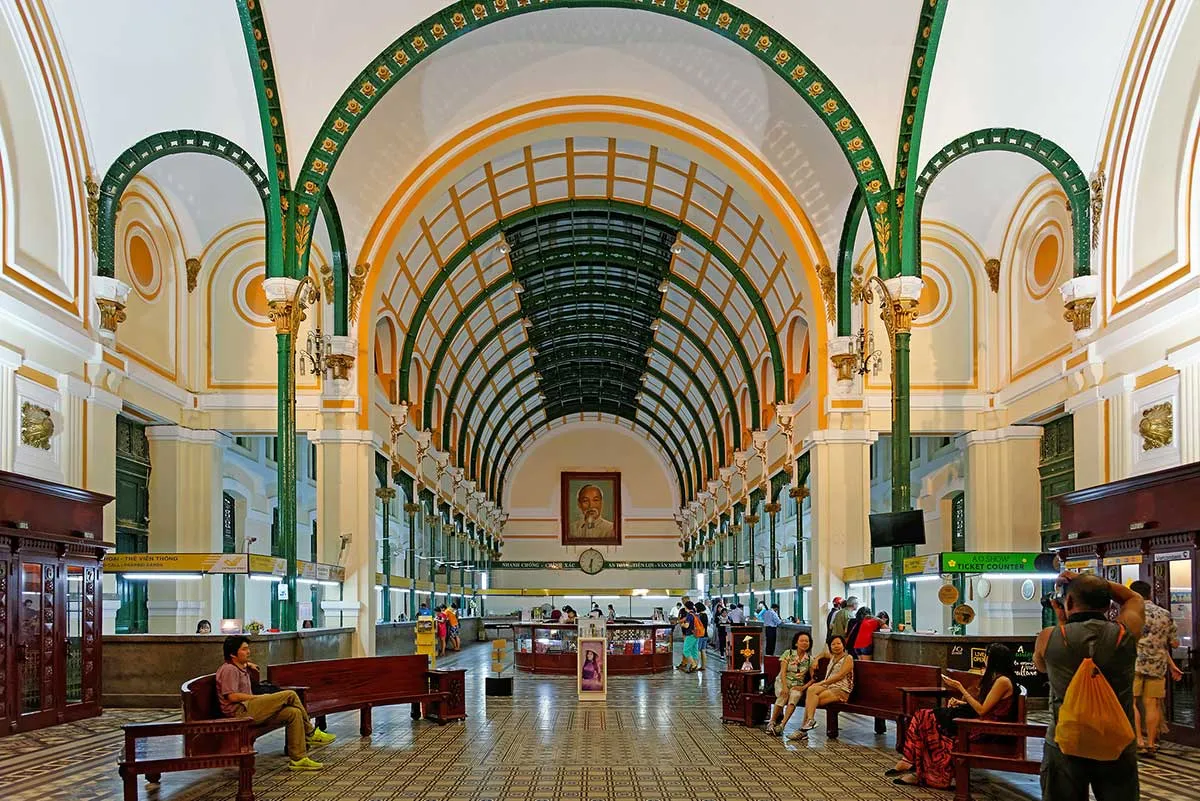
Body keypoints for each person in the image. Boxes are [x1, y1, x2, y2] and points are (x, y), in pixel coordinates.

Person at [1033, 571, 1144, 801]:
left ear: (1069, 602)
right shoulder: (1124, 634)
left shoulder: (1048, 637)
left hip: (1065, 741)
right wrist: (1091, 582)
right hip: (1116, 741)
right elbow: (1134, 598)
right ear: (1108, 604)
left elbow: (1042, 667)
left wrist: (1062, 622)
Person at [888, 643, 1017, 787]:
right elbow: (986, 706)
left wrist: (959, 687)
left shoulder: (1003, 681)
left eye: (987, 656)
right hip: (979, 721)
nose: (984, 659)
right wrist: (960, 703)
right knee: (923, 716)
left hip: (985, 728)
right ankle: (914, 765)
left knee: (927, 718)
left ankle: (921, 770)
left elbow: (982, 710)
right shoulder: (997, 678)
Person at [216, 635, 335, 771]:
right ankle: (310, 732)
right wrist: (256, 698)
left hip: (249, 708)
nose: (248, 652)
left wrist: (248, 664)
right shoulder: (229, 670)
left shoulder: (239, 666)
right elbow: (232, 696)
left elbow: (241, 667)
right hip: (240, 713)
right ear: (233, 654)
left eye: (248, 648)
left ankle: (298, 759)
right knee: (290, 694)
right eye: (244, 649)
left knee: (293, 713)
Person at [1129, 580, 1179, 758]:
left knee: (1132, 702)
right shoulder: (1165, 614)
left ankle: (1139, 741)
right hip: (1157, 665)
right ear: (1150, 593)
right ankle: (1151, 743)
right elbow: (1174, 643)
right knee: (1152, 704)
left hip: (1134, 664)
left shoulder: (1131, 613)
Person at [795, 635, 855, 736]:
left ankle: (803, 730)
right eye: (833, 644)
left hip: (841, 690)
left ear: (843, 645)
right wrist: (816, 660)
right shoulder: (833, 656)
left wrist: (822, 682)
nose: (836, 646)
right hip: (828, 687)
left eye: (839, 643)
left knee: (811, 702)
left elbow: (840, 676)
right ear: (830, 646)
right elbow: (823, 654)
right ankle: (810, 721)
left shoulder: (848, 658)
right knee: (811, 690)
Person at [766, 631, 814, 738]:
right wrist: (784, 686)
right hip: (782, 681)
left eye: (807, 641)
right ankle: (772, 722)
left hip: (797, 685)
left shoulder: (810, 660)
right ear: (796, 643)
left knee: (795, 696)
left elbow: (813, 678)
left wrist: (803, 687)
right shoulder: (788, 653)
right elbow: (783, 672)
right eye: (802, 641)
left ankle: (782, 725)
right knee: (783, 694)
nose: (804, 643)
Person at [677, 601, 700, 672]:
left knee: (686, 651)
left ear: (686, 607)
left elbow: (687, 626)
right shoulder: (695, 614)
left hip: (690, 634)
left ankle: (693, 665)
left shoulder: (689, 615)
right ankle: (695, 664)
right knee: (694, 650)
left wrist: (682, 624)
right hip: (696, 634)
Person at [695, 602, 710, 671]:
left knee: (697, 651)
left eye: (696, 607)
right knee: (703, 650)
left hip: (700, 635)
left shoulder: (699, 616)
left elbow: (697, 626)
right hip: (705, 635)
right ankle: (703, 666)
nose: (695, 609)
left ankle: (696, 665)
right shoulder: (706, 615)